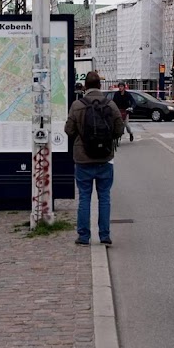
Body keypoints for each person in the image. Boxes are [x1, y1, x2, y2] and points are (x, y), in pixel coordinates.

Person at [64, 71, 125, 247]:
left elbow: (68, 130)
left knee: (84, 197)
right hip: (104, 158)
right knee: (104, 197)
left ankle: (83, 237)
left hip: (83, 159)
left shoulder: (77, 105)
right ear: (100, 85)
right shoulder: (110, 104)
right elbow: (119, 130)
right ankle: (104, 236)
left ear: (85, 86)